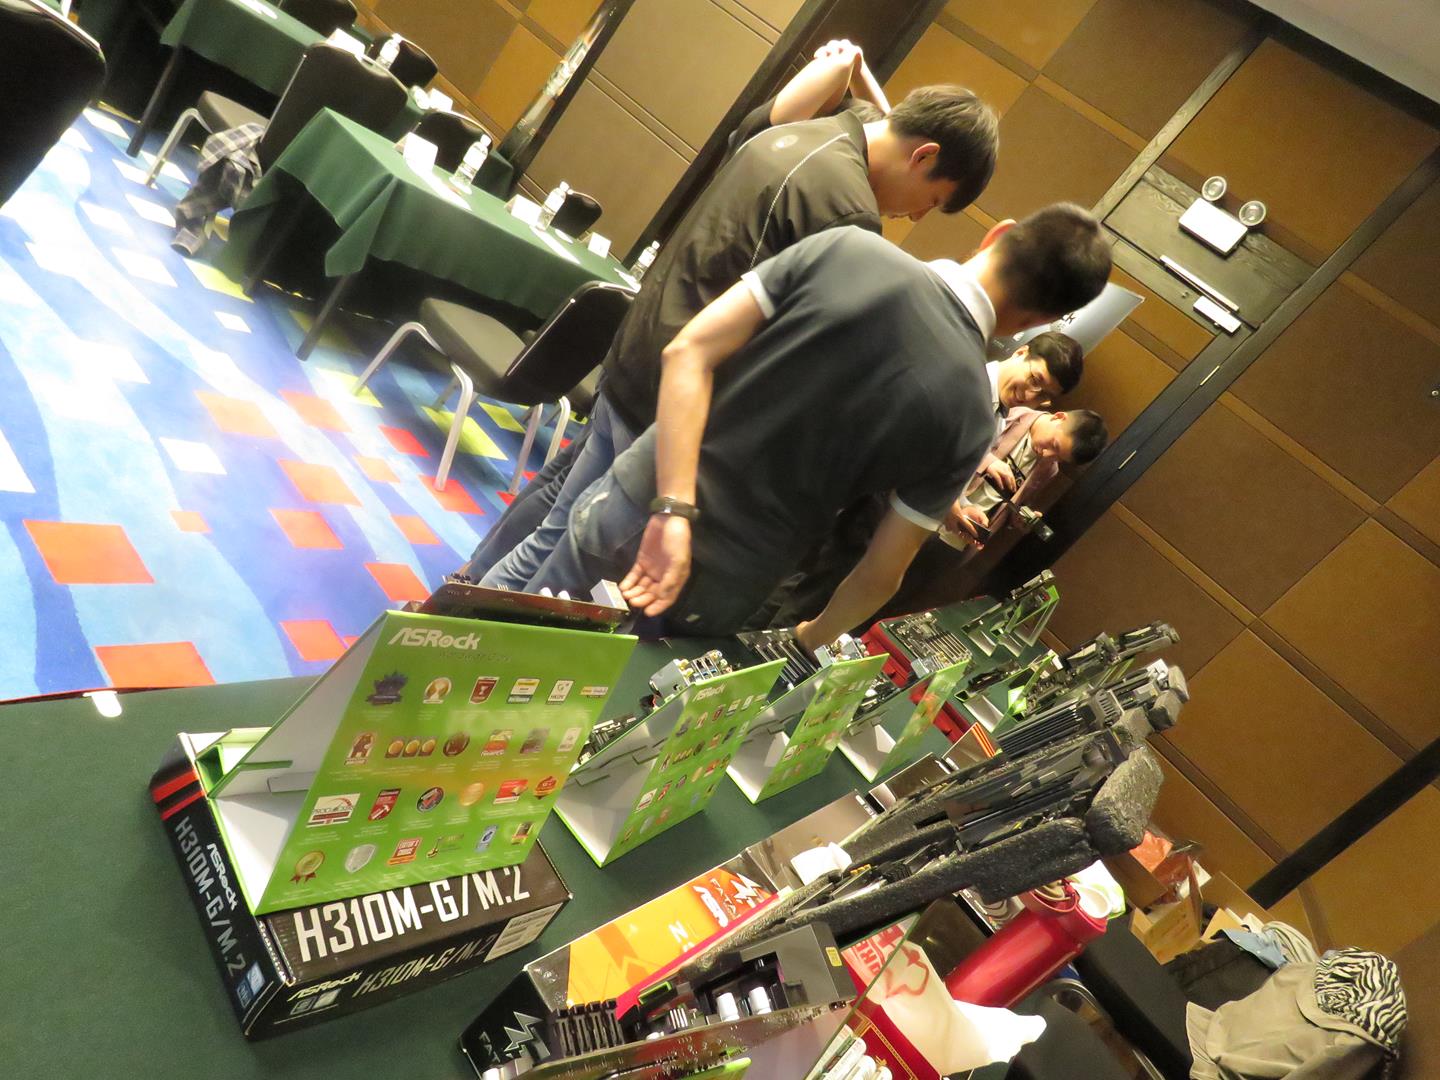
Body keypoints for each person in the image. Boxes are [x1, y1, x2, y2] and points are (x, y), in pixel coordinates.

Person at [464, 79, 1001, 591]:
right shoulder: (850, 213)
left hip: (641, 346)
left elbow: (861, 102)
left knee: (558, 508)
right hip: (674, 394)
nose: (914, 214)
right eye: (931, 200)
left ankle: (465, 586)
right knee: (569, 543)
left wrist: (851, 70)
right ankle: (460, 623)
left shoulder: (813, 127)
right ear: (924, 156)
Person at [519, 203, 1112, 651]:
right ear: (1043, 320)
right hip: (725, 577)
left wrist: (672, 508)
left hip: (640, 497)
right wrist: (811, 636)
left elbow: (688, 353)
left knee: (503, 652)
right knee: (563, 731)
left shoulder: (848, 248)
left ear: (998, 234)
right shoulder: (971, 415)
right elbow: (881, 572)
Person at [750, 337, 1093, 629]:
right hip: (857, 494)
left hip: (886, 512)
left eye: (1042, 394)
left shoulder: (994, 419)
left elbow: (947, 467)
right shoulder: (962, 379)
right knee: (797, 592)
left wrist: (958, 507)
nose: (1029, 394)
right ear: (1020, 353)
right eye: (1034, 379)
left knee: (811, 595)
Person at [944, 407, 1108, 550]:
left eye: (1059, 458)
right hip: (943, 501)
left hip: (965, 536)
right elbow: (956, 441)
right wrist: (988, 462)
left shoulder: (1050, 470)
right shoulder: (1011, 414)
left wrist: (1018, 519)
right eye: (1054, 445)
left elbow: (1015, 504)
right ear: (1058, 417)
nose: (1048, 454)